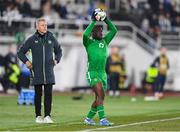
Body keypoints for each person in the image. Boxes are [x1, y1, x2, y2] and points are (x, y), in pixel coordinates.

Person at [17, 18, 62, 123]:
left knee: (48, 94)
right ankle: (38, 116)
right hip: (36, 71)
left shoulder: (51, 37)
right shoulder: (32, 39)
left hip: (49, 72)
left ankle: (47, 116)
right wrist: (26, 62)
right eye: (42, 25)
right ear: (37, 27)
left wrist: (57, 59)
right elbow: (20, 52)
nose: (45, 27)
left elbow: (59, 50)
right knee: (38, 94)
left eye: (46, 25)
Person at [83, 9, 117, 126]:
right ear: (93, 33)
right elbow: (84, 34)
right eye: (98, 31)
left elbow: (114, 30)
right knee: (100, 95)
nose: (101, 33)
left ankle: (88, 118)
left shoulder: (105, 41)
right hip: (92, 73)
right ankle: (103, 119)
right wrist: (93, 21)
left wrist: (106, 19)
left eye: (102, 31)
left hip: (102, 73)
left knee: (99, 97)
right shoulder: (88, 42)